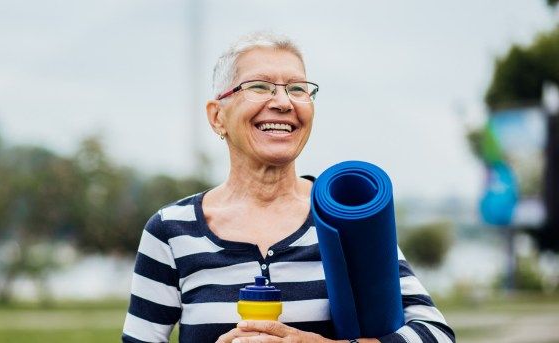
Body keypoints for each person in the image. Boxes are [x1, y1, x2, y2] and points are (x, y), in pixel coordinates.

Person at [121, 32, 455, 343]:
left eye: (297, 89)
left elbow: (436, 334)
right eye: (260, 86)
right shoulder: (171, 232)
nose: (283, 102)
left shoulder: (341, 217)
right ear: (217, 116)